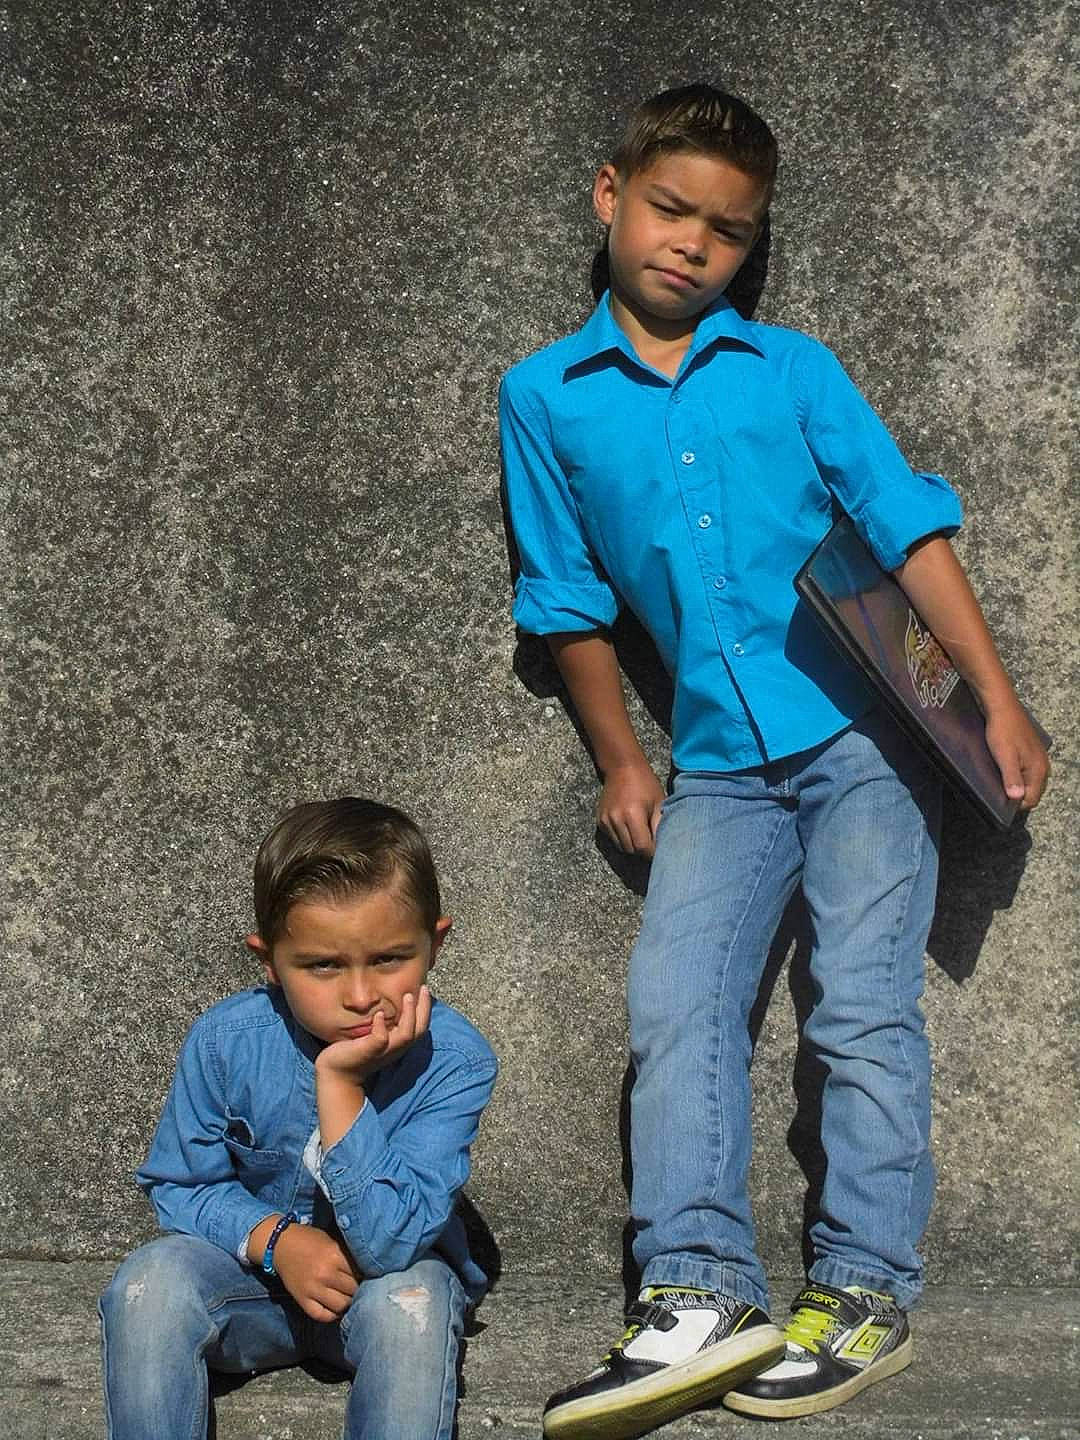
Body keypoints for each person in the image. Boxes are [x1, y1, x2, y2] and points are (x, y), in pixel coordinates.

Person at [499, 83, 1049, 1439]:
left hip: (867, 740)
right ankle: (698, 1293)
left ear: (753, 248)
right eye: (671, 209)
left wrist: (998, 699)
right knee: (679, 1003)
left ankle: (862, 1292)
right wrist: (622, 764)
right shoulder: (543, 397)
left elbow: (907, 529)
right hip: (718, 769)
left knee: (861, 1010)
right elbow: (566, 600)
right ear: (609, 193)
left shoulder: (794, 371)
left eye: (727, 231)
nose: (691, 243)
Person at [99, 797, 498, 1440]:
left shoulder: (455, 1062)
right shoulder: (225, 1042)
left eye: (390, 959)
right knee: (149, 1284)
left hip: (377, 1294)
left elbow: (390, 1245)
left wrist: (338, 1084)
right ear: (270, 962)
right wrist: (277, 1241)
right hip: (249, 1289)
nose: (361, 995)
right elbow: (180, 1184)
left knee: (416, 1302)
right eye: (322, 966)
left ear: (435, 944)